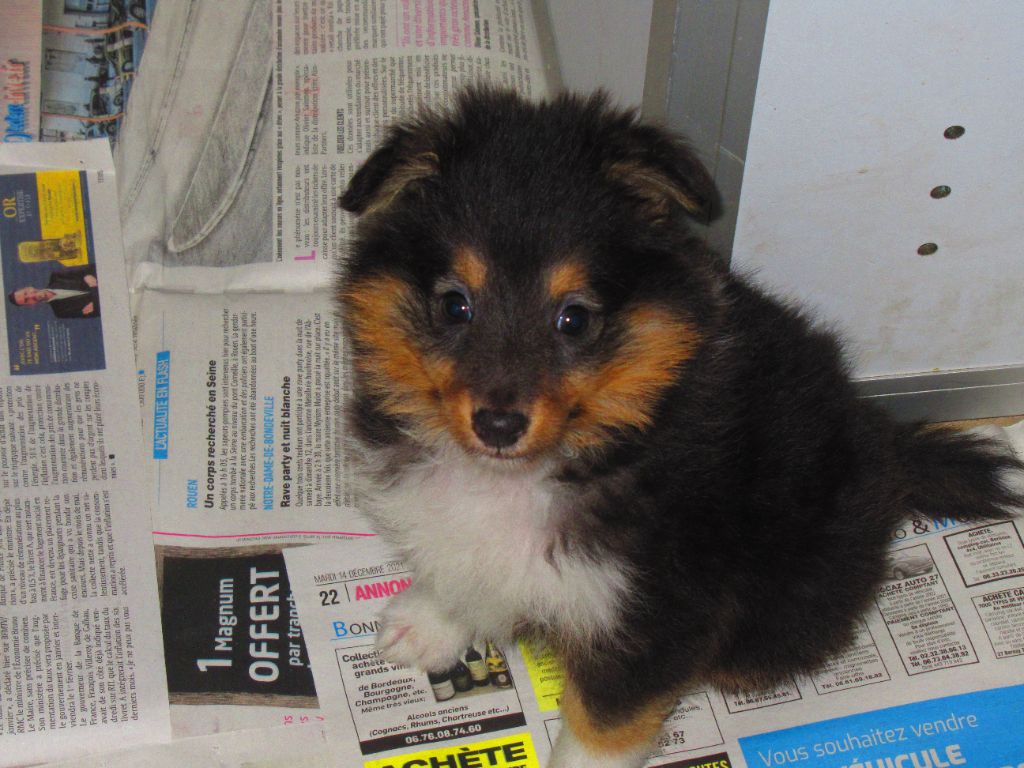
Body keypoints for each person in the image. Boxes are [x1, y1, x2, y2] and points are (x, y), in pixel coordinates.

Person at [7, 264, 100, 318]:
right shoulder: (61, 312)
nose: (31, 296)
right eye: (27, 300)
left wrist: (87, 276)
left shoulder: (57, 275)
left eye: (26, 293)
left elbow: (94, 267)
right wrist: (94, 288)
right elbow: (98, 313)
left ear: (29, 287)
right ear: (30, 305)